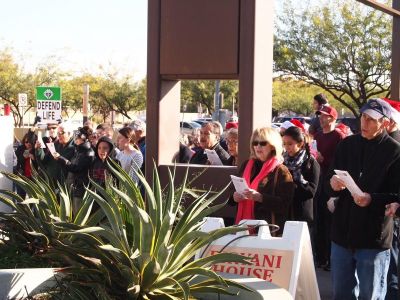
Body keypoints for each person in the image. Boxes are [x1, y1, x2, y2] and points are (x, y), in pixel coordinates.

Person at [329, 98, 400, 300]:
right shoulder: (346, 145)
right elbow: (327, 181)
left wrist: (372, 199)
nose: (365, 123)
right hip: (342, 233)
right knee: (341, 293)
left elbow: (397, 195)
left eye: (371, 119)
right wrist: (332, 184)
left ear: (385, 122)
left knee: (370, 295)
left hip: (373, 238)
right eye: (363, 117)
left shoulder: (394, 151)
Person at [232, 127, 294, 235]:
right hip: (242, 229)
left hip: (267, 231)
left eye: (263, 143)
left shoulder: (281, 171)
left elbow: (285, 204)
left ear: (272, 146)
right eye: (255, 143)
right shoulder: (247, 165)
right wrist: (234, 197)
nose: (258, 146)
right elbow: (232, 191)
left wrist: (260, 198)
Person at [314, 105, 345, 270]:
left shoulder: (338, 137)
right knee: (319, 221)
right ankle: (321, 257)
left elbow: (339, 161)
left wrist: (323, 160)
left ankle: (331, 259)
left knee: (330, 222)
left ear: (332, 118)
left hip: (331, 185)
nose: (321, 118)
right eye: (320, 115)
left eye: (324, 115)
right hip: (318, 182)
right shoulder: (317, 135)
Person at [282, 126, 320, 236]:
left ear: (300, 143)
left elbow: (312, 191)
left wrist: (295, 182)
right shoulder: (283, 161)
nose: (287, 147)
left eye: (290, 144)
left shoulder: (310, 163)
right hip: (287, 212)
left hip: (303, 214)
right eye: (284, 144)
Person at [53, 126, 95, 215]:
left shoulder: (88, 153)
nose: (75, 139)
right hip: (74, 187)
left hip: (80, 189)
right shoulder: (79, 151)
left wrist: (60, 159)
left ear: (84, 139)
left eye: (78, 137)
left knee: (78, 214)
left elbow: (76, 168)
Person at [35, 122, 75, 186]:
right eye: (58, 133)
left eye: (62, 133)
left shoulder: (75, 147)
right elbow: (44, 161)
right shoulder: (56, 145)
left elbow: (74, 167)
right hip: (52, 185)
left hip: (67, 187)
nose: (59, 135)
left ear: (69, 134)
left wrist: (60, 158)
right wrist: (39, 149)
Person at [14, 131, 37, 198]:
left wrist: (33, 158)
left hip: (33, 177)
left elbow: (40, 163)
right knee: (20, 197)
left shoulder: (36, 149)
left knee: (32, 197)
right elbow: (19, 160)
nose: (28, 144)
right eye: (26, 142)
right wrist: (26, 154)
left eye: (30, 142)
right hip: (22, 175)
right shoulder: (21, 148)